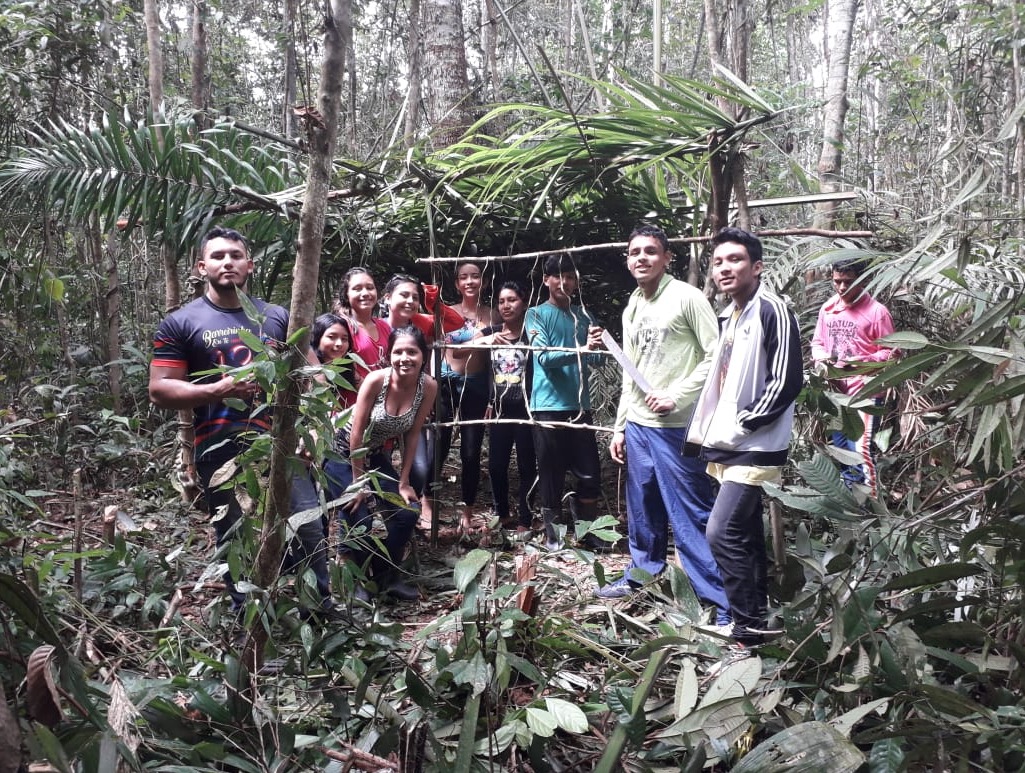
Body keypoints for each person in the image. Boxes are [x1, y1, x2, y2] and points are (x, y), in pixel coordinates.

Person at [149, 226, 333, 617]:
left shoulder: (277, 316)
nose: (227, 262)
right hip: (222, 449)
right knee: (236, 536)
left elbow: (314, 376)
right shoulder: (182, 322)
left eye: (235, 255)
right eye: (217, 256)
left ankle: (320, 616)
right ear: (201, 267)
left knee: (309, 529)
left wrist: (313, 431)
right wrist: (219, 389)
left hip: (282, 442)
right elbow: (161, 389)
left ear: (249, 264)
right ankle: (248, 623)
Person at [598, 225, 731, 628]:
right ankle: (643, 574)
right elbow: (628, 371)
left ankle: (719, 600)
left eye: (651, 251)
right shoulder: (634, 304)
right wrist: (619, 427)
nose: (641, 258)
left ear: (667, 257)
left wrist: (678, 394)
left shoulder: (687, 298)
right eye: (634, 251)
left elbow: (717, 355)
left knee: (691, 512)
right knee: (643, 507)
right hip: (639, 425)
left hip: (676, 426)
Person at [686, 227, 803, 664]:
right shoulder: (730, 315)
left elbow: (788, 379)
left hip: (755, 445)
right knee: (746, 534)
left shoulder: (773, 309)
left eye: (734, 260)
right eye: (718, 262)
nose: (724, 268)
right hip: (728, 442)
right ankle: (755, 625)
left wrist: (744, 422)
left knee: (721, 530)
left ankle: (747, 625)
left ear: (757, 267)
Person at [323, 326, 439, 601]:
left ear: (423, 355)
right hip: (341, 452)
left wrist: (404, 481)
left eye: (412, 352)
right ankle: (356, 579)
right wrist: (359, 482)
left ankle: (387, 576)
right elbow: (355, 431)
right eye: (398, 352)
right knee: (357, 512)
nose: (405, 358)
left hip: (374, 455)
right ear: (389, 355)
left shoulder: (428, 386)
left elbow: (412, 434)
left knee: (408, 512)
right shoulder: (376, 380)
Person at [525, 254, 605, 550]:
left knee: (589, 472)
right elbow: (543, 356)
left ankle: (587, 531)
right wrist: (583, 348)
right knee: (550, 471)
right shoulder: (535, 314)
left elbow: (596, 360)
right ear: (546, 280)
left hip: (580, 406)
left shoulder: (584, 315)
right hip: (547, 405)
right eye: (557, 276)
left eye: (570, 276)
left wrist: (597, 343)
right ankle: (553, 535)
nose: (564, 282)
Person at [455, 281, 537, 531]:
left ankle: (525, 518)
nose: (506, 305)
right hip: (498, 407)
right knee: (496, 465)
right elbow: (457, 352)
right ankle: (502, 514)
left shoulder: (531, 332)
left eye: (512, 300)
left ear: (523, 302)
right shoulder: (492, 331)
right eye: (501, 301)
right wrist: (486, 340)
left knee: (526, 465)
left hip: (526, 407)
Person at [810, 257, 895, 498]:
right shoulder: (828, 309)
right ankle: (849, 504)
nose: (842, 288)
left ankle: (872, 509)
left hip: (865, 392)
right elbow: (817, 342)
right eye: (838, 281)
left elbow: (893, 351)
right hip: (835, 392)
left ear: (862, 280)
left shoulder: (877, 312)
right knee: (842, 449)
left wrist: (859, 363)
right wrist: (821, 360)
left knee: (861, 449)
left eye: (848, 282)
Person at [438, 261, 496, 534]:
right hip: (448, 382)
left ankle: (467, 511)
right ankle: (428, 506)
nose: (470, 281)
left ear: (483, 281)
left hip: (476, 385)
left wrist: (491, 398)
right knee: (439, 446)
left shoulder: (493, 314)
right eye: (464, 277)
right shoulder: (447, 312)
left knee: (471, 452)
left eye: (475, 276)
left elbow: (495, 360)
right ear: (457, 283)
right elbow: (448, 350)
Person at [311, 312, 360, 410]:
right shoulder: (306, 370)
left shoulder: (347, 366)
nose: (339, 343)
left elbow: (367, 390)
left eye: (344, 339)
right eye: (331, 337)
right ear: (317, 338)